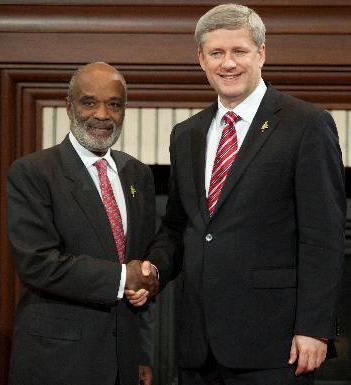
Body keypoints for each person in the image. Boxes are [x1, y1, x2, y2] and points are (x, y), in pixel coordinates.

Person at [126, 3, 346, 385]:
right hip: (198, 344)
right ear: (201, 59)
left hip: (275, 345)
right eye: (217, 53)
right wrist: (155, 270)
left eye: (239, 51)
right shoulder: (187, 134)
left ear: (261, 53)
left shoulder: (306, 125)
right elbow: (179, 227)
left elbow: (323, 235)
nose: (228, 64)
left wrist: (315, 327)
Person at [7, 62, 158, 385]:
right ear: (69, 107)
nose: (103, 114)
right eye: (89, 102)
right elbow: (37, 264)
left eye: (114, 104)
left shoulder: (138, 174)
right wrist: (122, 277)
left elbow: (141, 263)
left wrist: (142, 354)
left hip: (124, 359)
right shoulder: (33, 172)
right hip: (58, 362)